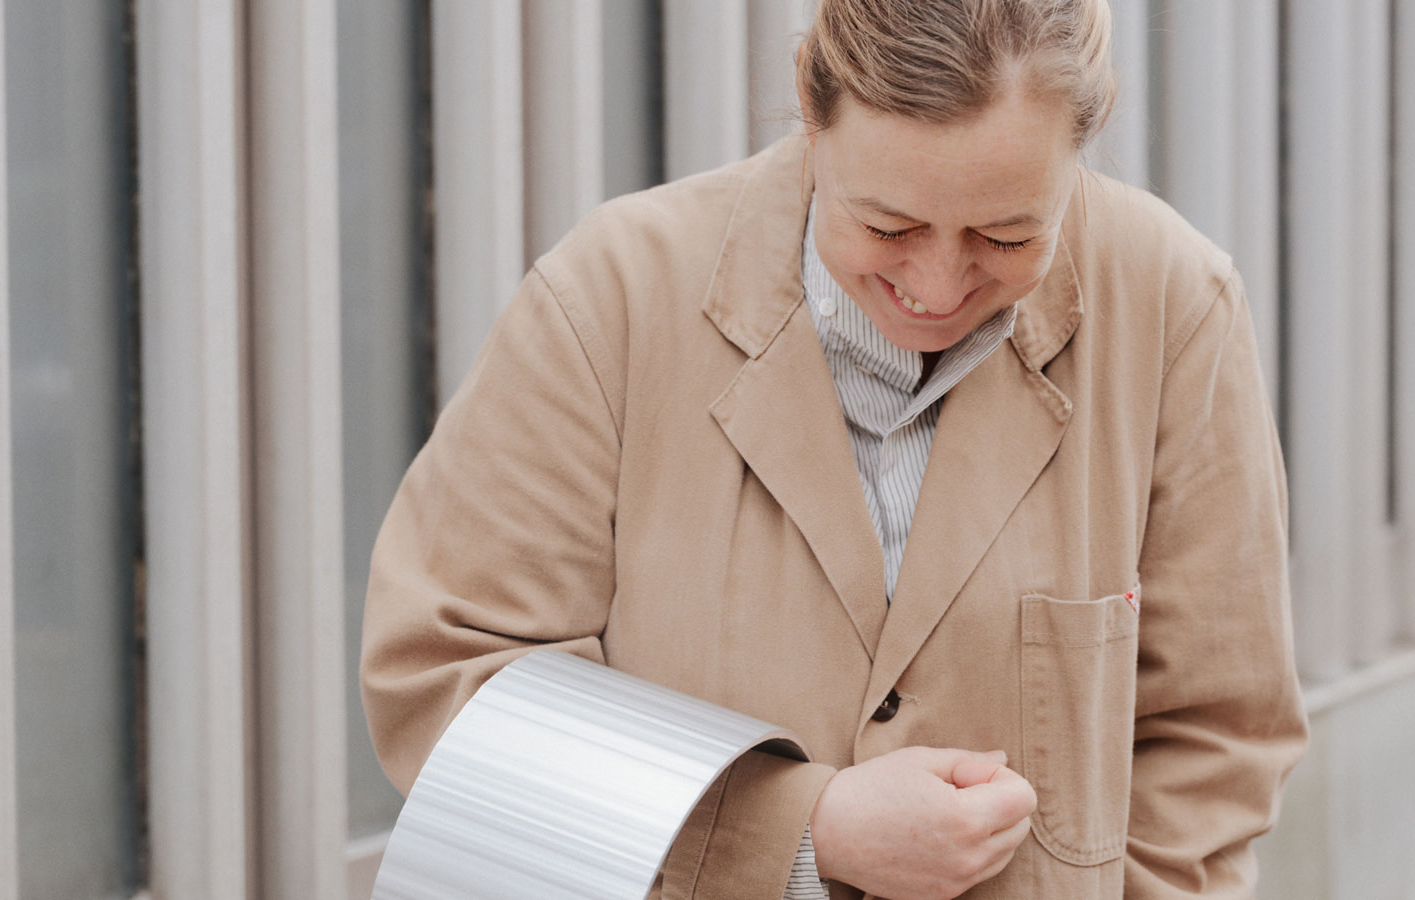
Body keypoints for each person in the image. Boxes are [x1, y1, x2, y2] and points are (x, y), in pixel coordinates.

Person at [361, 0, 1308, 897]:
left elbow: (1217, 736)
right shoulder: (611, 298)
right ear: (812, 111)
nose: (936, 288)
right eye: (886, 226)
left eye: (1006, 236)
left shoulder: (1175, 310)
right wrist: (801, 830)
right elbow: (451, 683)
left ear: (1080, 152)